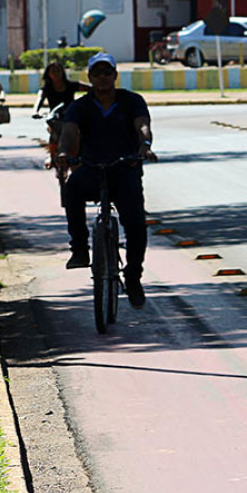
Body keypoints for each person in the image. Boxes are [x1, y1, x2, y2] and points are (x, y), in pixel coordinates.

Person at [57, 52, 157, 309]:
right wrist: (63, 153)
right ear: (89, 77)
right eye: (97, 73)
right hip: (91, 168)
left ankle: (133, 275)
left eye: (107, 72)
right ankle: (79, 248)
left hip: (124, 168)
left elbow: (142, 125)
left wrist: (144, 145)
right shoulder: (80, 106)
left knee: (136, 224)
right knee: (73, 189)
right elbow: (69, 132)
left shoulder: (131, 101)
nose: (102, 77)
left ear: (114, 75)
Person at [32, 61, 91, 169]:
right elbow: (39, 100)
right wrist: (35, 111)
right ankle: (52, 157)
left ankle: (80, 156)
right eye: (53, 71)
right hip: (55, 119)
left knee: (80, 134)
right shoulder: (46, 89)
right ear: (48, 74)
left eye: (58, 70)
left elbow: (91, 89)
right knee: (54, 135)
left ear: (62, 72)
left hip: (72, 118)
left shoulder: (71, 85)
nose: (56, 73)